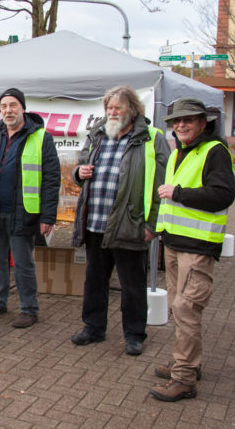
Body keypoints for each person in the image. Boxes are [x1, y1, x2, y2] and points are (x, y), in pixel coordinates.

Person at [70, 85, 170, 355]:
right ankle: (93, 328)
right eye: (108, 108)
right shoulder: (98, 134)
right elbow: (79, 168)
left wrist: (152, 225)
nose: (112, 113)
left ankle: (135, 334)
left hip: (131, 223)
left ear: (132, 110)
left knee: (132, 285)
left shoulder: (151, 138)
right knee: (94, 280)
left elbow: (163, 185)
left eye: (118, 108)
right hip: (96, 222)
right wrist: (80, 172)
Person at [150, 98, 235, 402]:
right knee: (178, 306)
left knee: (187, 309)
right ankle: (187, 364)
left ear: (203, 123)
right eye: (177, 121)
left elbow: (223, 194)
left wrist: (179, 193)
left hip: (197, 248)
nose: (181, 126)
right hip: (175, 243)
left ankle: (184, 378)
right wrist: (160, 232)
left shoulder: (214, 152)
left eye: (188, 120)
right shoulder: (179, 153)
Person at [0, 88, 60, 329]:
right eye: (4, 107)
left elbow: (52, 179)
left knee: (22, 263)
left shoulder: (41, 137)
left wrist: (48, 215)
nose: (8, 110)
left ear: (23, 108)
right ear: (0, 111)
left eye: (13, 105)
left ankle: (29, 309)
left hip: (24, 211)